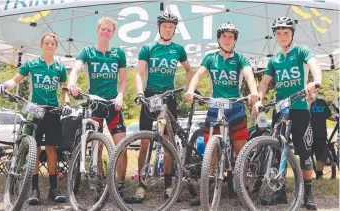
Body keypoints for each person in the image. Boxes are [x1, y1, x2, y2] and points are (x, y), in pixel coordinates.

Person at [184, 22, 259, 205]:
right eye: (224, 36)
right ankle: (207, 192)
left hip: (236, 108)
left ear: (234, 40)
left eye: (231, 37)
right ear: (219, 39)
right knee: (211, 152)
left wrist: (254, 92)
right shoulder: (210, 57)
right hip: (215, 107)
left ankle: (244, 190)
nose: (227, 39)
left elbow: (249, 75)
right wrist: (191, 90)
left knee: (241, 151)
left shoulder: (241, 58)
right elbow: (199, 75)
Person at [252, 17, 322, 210]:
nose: (282, 36)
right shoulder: (274, 59)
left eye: (286, 32)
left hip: (299, 108)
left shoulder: (301, 51)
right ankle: (278, 194)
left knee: (304, 152)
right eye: (278, 33)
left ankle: (308, 196)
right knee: (275, 150)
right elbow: (265, 83)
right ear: (275, 35)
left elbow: (315, 64)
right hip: (280, 108)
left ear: (292, 34)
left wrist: (315, 82)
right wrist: (259, 99)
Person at [0, 32, 72, 204]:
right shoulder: (32, 64)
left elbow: (64, 90)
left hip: (52, 111)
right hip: (34, 110)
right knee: (34, 151)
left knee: (51, 150)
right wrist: (3, 85)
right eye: (47, 43)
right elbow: (15, 81)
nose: (50, 46)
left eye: (53, 44)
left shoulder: (60, 68)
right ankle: (34, 190)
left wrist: (67, 103)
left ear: (56, 46)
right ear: (41, 45)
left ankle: (53, 189)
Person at [133, 12, 194, 202]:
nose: (168, 29)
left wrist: (191, 90)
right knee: (144, 142)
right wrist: (140, 92)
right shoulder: (148, 48)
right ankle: (141, 185)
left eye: (171, 27)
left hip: (169, 98)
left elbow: (189, 69)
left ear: (175, 29)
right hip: (150, 96)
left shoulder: (178, 49)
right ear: (158, 27)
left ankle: (168, 186)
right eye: (165, 26)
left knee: (168, 143)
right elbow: (139, 73)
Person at [67, 17, 128, 196]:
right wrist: (72, 84)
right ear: (97, 31)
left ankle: (121, 185)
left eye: (109, 30)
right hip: (94, 104)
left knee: (122, 146)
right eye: (103, 29)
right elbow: (76, 70)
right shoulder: (87, 51)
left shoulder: (119, 54)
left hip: (112, 104)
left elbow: (124, 81)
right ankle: (99, 183)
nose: (105, 32)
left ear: (112, 34)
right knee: (97, 147)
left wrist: (120, 95)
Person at [310, 96, 338, 179]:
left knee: (321, 156)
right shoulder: (303, 102)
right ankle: (305, 177)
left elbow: (328, 115)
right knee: (306, 156)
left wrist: (337, 119)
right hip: (307, 135)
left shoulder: (322, 102)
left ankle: (319, 175)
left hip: (321, 134)